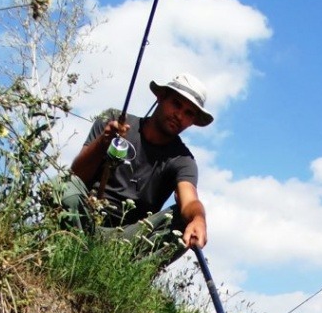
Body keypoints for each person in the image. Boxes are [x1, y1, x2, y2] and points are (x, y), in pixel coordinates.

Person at [59, 72, 213, 260]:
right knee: (64, 186)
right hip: (84, 220)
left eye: (189, 113)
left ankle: (126, 279)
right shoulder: (113, 118)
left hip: (127, 240)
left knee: (185, 220)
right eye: (176, 104)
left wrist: (198, 219)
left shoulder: (183, 160)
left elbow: (189, 200)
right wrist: (103, 143)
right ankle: (71, 255)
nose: (179, 115)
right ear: (161, 97)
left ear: (192, 122)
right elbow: (76, 175)